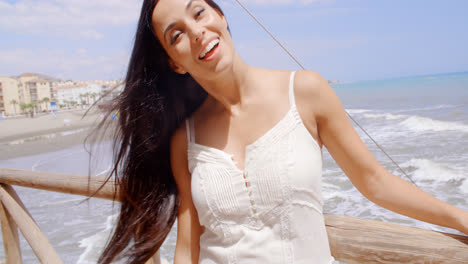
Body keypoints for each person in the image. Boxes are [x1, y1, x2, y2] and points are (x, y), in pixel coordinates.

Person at [97, 0, 468, 263]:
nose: (197, 32)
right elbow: (188, 247)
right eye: (176, 34)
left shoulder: (305, 91)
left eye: (199, 12)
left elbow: (374, 182)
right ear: (173, 62)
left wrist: (458, 217)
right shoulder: (186, 139)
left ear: (221, 15)